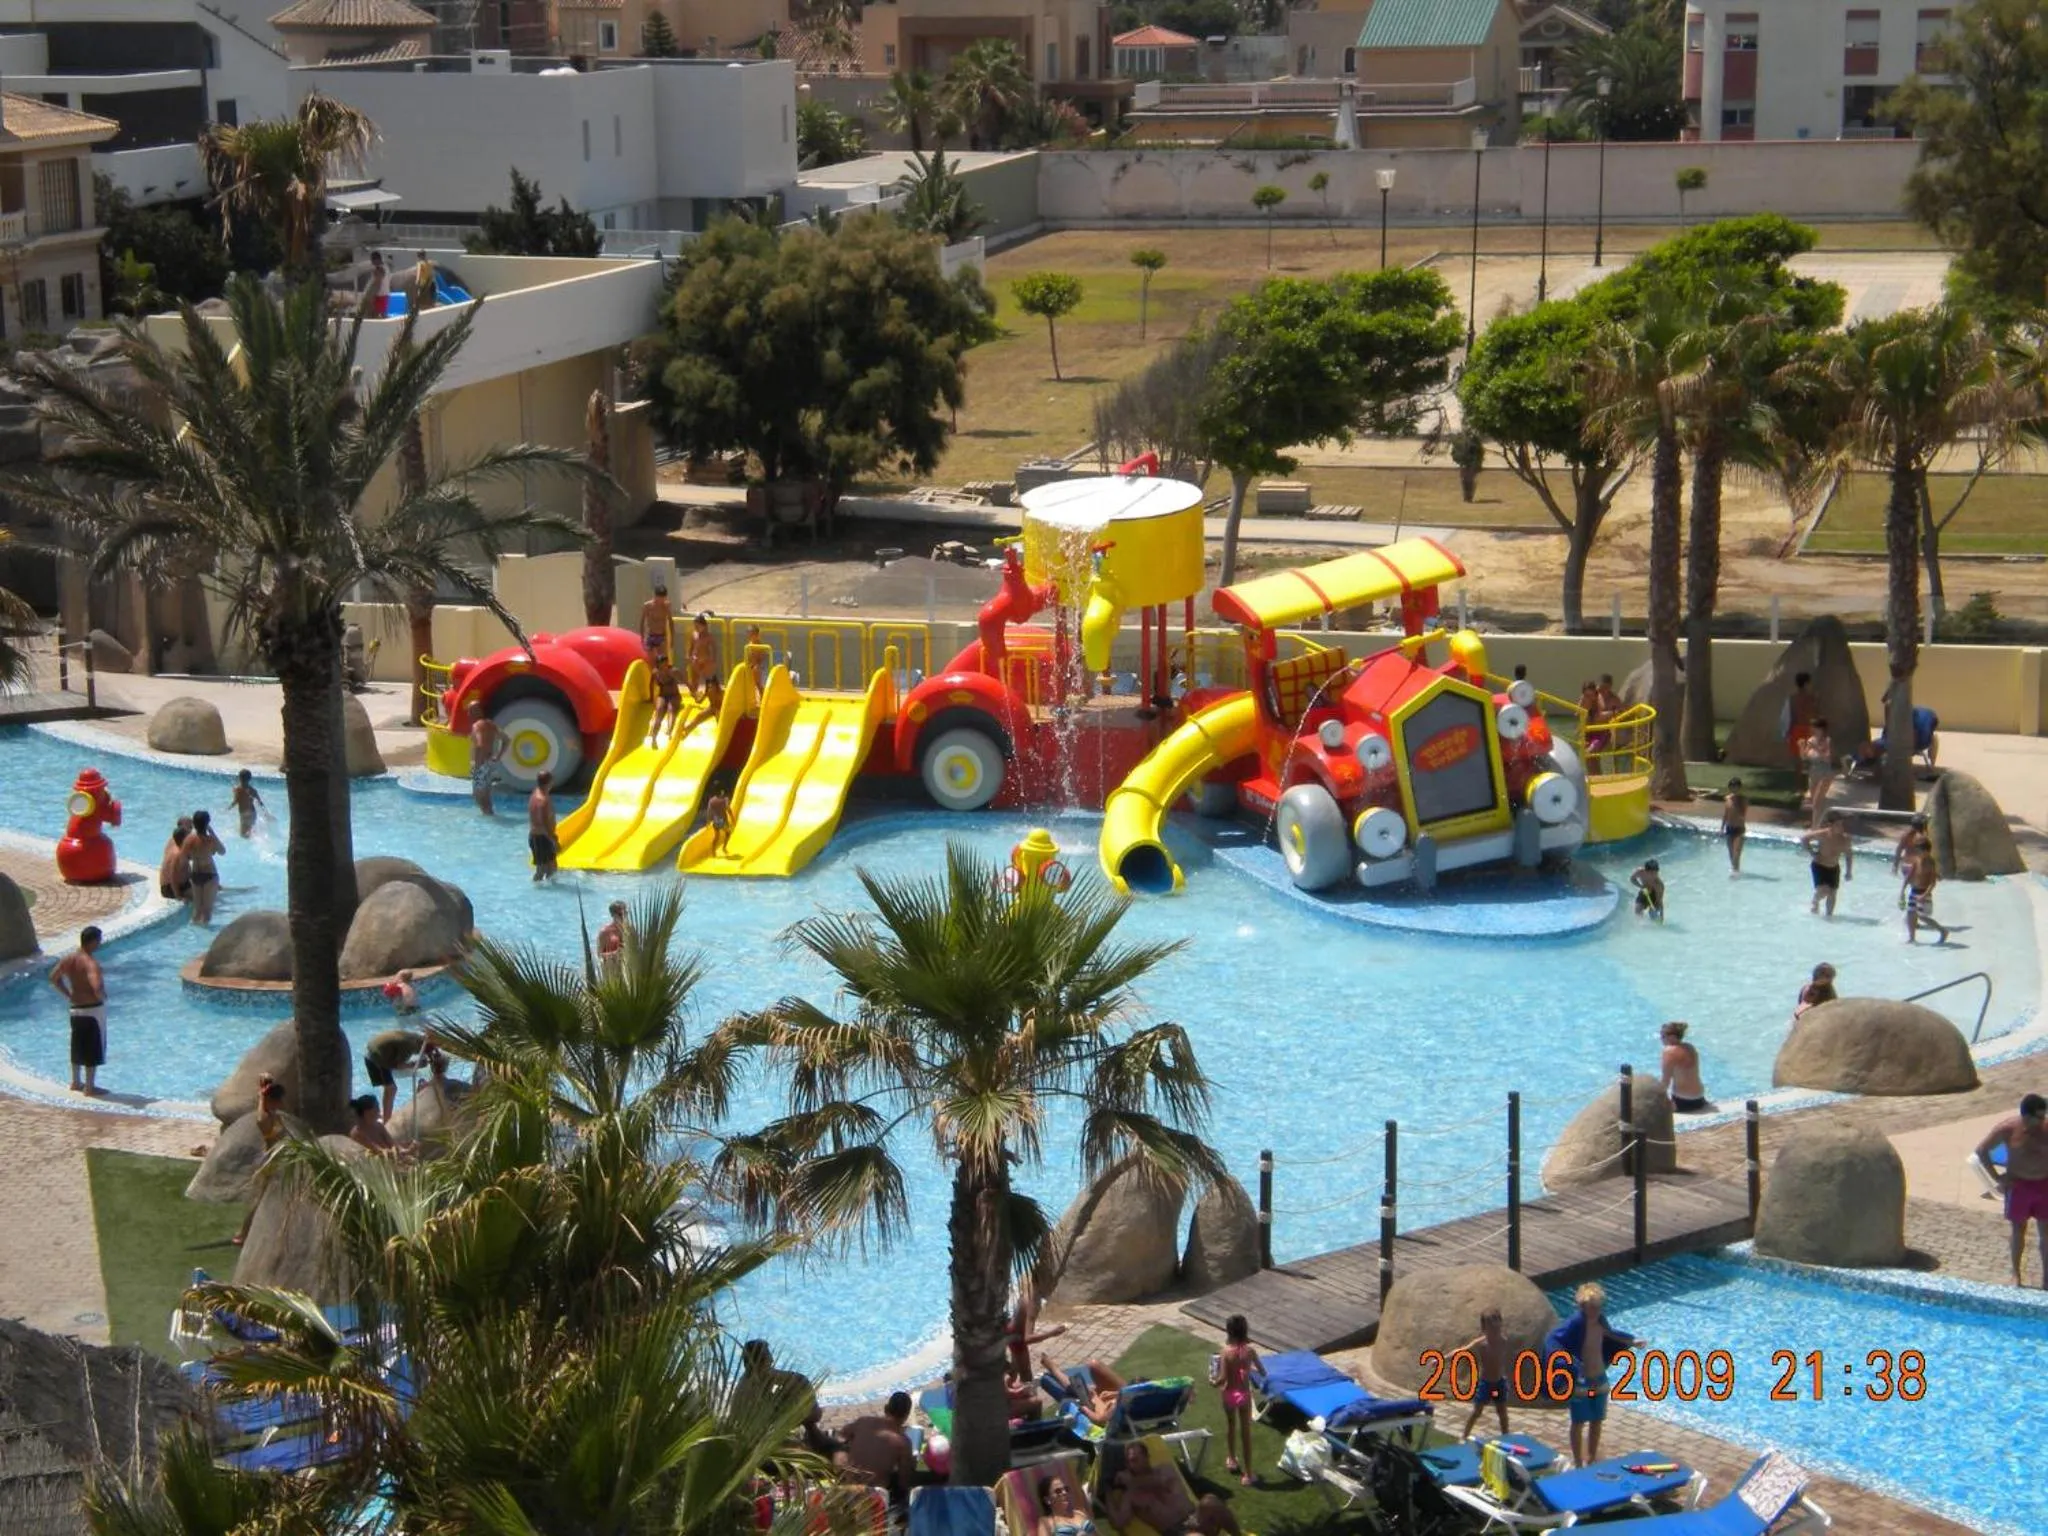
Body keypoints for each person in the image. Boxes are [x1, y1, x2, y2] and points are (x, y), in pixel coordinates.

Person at [1543, 1282, 1644, 1468]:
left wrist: (1632, 1340)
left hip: (1599, 1381)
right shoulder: (1575, 1324)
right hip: (1583, 1384)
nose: (1596, 1311)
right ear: (1582, 1306)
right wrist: (1568, 1363)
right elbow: (1553, 1340)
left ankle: (1590, 1459)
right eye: (1593, 1308)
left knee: (1597, 1420)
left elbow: (1613, 1335)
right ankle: (1578, 1462)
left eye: (1599, 1307)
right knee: (1579, 1421)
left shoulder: (1600, 1321)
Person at [1974, 1094, 2048, 1287]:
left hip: (2044, 1184)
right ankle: (2015, 1274)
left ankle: (2047, 1278)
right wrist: (1997, 1177)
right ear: (2025, 1116)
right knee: (2018, 1230)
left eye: (2043, 1116)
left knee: (2046, 1233)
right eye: (2038, 1117)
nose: (2042, 1121)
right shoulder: (2007, 1129)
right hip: (2019, 1186)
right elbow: (1981, 1150)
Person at [1105, 1438, 1243, 1536]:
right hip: (1177, 1532)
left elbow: (1159, 1483)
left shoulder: (1165, 1469)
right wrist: (1107, 1492)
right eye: (1128, 1463)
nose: (1131, 1466)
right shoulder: (1131, 1494)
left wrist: (1131, 1481)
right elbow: (1118, 1522)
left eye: (1135, 1460)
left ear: (1147, 1457)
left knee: (1210, 1501)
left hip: (1196, 1517)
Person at [736, 1339, 842, 1460]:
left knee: (792, 1392)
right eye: (768, 1356)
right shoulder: (751, 1388)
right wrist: (807, 1411)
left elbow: (799, 1379)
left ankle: (815, 1438)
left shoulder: (756, 1377)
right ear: (760, 1361)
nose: (771, 1360)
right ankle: (817, 1443)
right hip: (757, 1442)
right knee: (807, 1419)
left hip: (762, 1430)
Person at [49, 926, 108, 1095]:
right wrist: (102, 996)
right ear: (93, 941)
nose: (99, 944)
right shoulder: (91, 963)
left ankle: (76, 1081)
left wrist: (68, 995)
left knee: (77, 1044)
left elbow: (53, 978)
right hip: (92, 1010)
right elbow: (95, 986)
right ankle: (89, 1087)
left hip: (75, 1009)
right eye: (98, 941)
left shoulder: (68, 959)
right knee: (93, 1047)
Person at [232, 1075, 288, 1246]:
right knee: (259, 1199)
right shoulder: (264, 1117)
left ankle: (267, 1230)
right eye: (278, 1100)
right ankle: (243, 1233)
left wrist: (266, 1088)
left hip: (279, 1158)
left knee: (274, 1197)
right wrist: (262, 1097)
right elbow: (259, 1120)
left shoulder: (274, 1113)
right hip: (269, 1161)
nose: (281, 1103)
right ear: (271, 1100)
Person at [839, 1390, 919, 1503]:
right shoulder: (903, 1442)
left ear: (886, 1408)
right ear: (906, 1416)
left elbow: (841, 1435)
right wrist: (911, 1464)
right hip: (873, 1499)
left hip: (846, 1493)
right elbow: (904, 1482)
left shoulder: (863, 1421)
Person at [1213, 1313, 1259, 1484]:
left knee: (1231, 1425)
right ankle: (1248, 1474)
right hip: (1244, 1395)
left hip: (1228, 1394)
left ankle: (1232, 1459)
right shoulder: (1250, 1351)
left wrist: (1213, 1382)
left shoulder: (1225, 1352)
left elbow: (1222, 1378)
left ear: (1228, 1331)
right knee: (1245, 1432)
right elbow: (1262, 1372)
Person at [1454, 1306, 1512, 1440]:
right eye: (1492, 1329)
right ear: (1484, 1329)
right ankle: (1464, 1437)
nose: (1495, 1331)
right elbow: (1461, 1351)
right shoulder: (1481, 1344)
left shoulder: (1503, 1341)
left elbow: (1503, 1361)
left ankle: (1507, 1437)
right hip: (1486, 1385)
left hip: (1498, 1385)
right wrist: (1442, 1359)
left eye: (1497, 1328)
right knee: (1477, 1411)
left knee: (1502, 1412)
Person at [363, 1027, 425, 1121]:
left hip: (374, 1050)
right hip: (376, 1057)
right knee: (391, 1089)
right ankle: (387, 1120)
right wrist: (414, 1064)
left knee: (389, 1088)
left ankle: (385, 1115)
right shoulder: (409, 1047)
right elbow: (398, 1066)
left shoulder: (413, 1037)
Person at [1800, 810, 1853, 919]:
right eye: (1838, 825)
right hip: (1820, 865)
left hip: (1834, 867)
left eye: (1842, 824)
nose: (1841, 827)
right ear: (1831, 825)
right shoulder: (1823, 834)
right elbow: (1804, 839)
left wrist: (1849, 871)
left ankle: (1829, 917)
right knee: (1824, 890)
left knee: (1833, 893)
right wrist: (1812, 853)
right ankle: (1815, 900)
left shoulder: (1845, 839)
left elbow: (1849, 855)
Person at [181, 810, 226, 926]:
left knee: (197, 909)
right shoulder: (210, 840)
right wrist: (212, 832)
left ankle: (194, 931)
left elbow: (183, 858)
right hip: (210, 875)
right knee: (207, 911)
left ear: (194, 824)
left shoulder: (189, 840)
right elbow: (222, 851)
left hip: (195, 875)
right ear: (207, 824)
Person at [1905, 836, 1951, 945]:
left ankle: (1942, 931)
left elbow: (1933, 883)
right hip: (1914, 891)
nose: (1918, 853)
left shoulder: (1930, 863)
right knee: (1910, 914)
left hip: (1924, 893)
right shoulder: (1917, 860)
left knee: (1922, 917)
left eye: (1919, 851)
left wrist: (1924, 895)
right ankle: (1912, 938)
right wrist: (1902, 890)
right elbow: (1909, 875)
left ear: (1926, 851)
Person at [1659, 1021, 1708, 1113]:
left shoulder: (1669, 1052)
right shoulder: (1690, 1047)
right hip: (1700, 1099)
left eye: (1663, 1036)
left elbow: (1665, 1082)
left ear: (1672, 1037)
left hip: (1682, 1101)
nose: (1661, 1039)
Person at [1802, 717, 1837, 827]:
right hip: (1813, 772)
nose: (1813, 729)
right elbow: (1804, 757)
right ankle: (1822, 822)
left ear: (1822, 729)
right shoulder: (1811, 740)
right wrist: (1802, 747)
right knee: (1815, 801)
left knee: (1817, 801)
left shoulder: (1827, 741)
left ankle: (1814, 828)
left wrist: (1816, 747)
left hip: (1825, 773)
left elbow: (1828, 758)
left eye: (1815, 728)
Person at [469, 716, 506, 816]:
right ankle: (490, 815)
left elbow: (480, 744)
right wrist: (498, 756)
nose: (468, 713)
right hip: (489, 763)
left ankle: (488, 815)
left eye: (470, 711)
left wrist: (477, 764)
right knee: (486, 793)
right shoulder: (491, 725)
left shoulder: (476, 726)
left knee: (478, 794)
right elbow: (506, 739)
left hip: (480, 764)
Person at [686, 612, 723, 710]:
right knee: (694, 683)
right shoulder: (694, 635)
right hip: (695, 661)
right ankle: (697, 697)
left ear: (704, 626)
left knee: (710, 683)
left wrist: (710, 661)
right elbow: (691, 647)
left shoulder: (709, 637)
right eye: (695, 626)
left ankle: (714, 699)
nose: (696, 628)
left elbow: (713, 651)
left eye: (698, 626)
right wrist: (690, 657)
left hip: (706, 663)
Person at [1891, 815, 1929, 906]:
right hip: (1916, 865)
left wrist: (1895, 865)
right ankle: (1912, 905)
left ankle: (1906, 900)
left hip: (1905, 865)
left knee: (1913, 884)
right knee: (1918, 886)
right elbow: (1924, 854)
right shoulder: (1922, 837)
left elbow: (1899, 849)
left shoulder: (1906, 835)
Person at [528, 771, 558, 882]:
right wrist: (552, 840)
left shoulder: (535, 793)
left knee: (547, 868)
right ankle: (543, 892)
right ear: (549, 782)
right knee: (546, 870)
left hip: (535, 836)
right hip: (542, 837)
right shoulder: (543, 800)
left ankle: (543, 891)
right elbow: (544, 821)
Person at [1784, 671, 1819, 766]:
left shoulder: (1792, 698)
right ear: (1806, 683)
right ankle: (1810, 779)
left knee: (1798, 761)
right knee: (1812, 759)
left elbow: (1792, 716)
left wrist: (1789, 732)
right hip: (1808, 729)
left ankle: (1799, 780)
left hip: (1797, 729)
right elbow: (1815, 714)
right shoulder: (1811, 698)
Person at [649, 652, 684, 745]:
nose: (665, 665)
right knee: (659, 710)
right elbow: (651, 685)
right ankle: (654, 736)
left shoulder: (673, 671)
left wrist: (694, 694)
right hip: (663, 696)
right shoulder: (655, 673)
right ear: (659, 664)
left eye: (666, 663)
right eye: (662, 663)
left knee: (671, 709)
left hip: (674, 695)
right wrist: (651, 698)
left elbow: (686, 681)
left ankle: (669, 730)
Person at [158, 817, 192, 902]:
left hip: (183, 884)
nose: (191, 830)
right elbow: (172, 875)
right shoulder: (177, 851)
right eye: (189, 827)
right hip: (170, 887)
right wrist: (178, 896)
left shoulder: (178, 841)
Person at [1721, 778, 1747, 876]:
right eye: (1732, 787)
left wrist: (1737, 804)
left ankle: (1735, 872)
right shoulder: (1727, 799)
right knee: (1731, 853)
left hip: (1739, 828)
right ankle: (1735, 869)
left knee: (1736, 852)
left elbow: (1743, 814)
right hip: (1729, 828)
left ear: (1739, 788)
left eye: (1736, 787)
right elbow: (1725, 814)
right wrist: (1721, 828)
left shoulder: (1743, 799)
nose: (1733, 789)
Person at [639, 581, 672, 660]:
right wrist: (642, 638)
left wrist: (672, 639)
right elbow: (642, 622)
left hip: (661, 636)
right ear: (655, 596)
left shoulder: (666, 606)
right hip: (651, 635)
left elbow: (671, 622)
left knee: (663, 662)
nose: (661, 600)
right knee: (651, 662)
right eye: (659, 598)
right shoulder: (647, 606)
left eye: (663, 598)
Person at [597, 900, 629, 975]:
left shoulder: (630, 931)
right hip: (612, 974)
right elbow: (599, 956)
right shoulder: (605, 932)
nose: (623, 917)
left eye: (626, 913)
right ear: (613, 915)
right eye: (620, 914)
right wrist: (615, 954)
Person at [230, 770, 264, 838]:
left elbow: (235, 802)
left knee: (243, 835)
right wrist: (266, 814)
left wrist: (227, 808)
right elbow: (260, 802)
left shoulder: (238, 789)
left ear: (239, 778)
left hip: (244, 814)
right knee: (250, 832)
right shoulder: (253, 790)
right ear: (249, 779)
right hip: (252, 813)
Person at [1629, 858, 1664, 922]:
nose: (1655, 875)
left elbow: (1660, 901)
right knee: (1638, 909)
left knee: (1652, 914)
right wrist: (1641, 886)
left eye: (1656, 873)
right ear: (1646, 870)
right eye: (1652, 873)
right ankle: (1640, 925)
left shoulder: (1658, 884)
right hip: (1644, 891)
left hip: (1655, 896)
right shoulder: (1640, 872)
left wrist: (1661, 916)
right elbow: (1632, 879)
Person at [705, 791, 732, 859]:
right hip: (722, 821)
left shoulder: (711, 800)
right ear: (721, 792)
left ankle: (713, 852)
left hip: (715, 821)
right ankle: (724, 847)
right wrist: (733, 818)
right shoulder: (725, 799)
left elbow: (709, 811)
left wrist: (708, 821)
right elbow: (728, 809)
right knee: (728, 833)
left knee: (717, 837)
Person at [366, 251, 390, 318]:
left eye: (372, 260)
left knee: (377, 316)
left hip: (380, 295)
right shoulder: (386, 267)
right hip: (384, 294)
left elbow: (377, 283)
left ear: (377, 259)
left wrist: (371, 296)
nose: (372, 262)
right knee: (382, 315)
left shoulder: (379, 269)